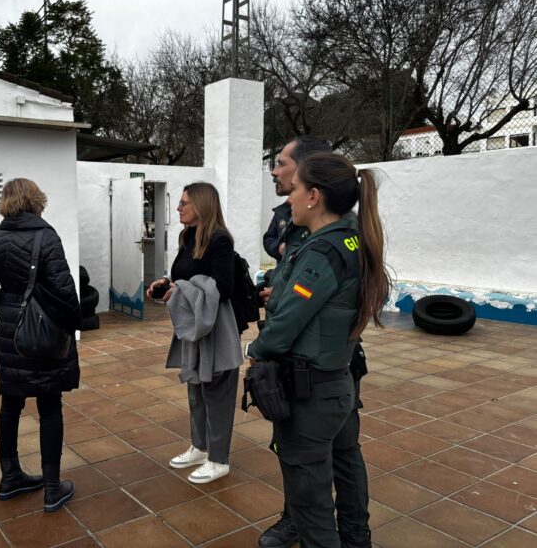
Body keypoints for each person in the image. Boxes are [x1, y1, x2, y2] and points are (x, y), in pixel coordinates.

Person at [248, 153, 390, 548]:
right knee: (346, 465)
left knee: (310, 505)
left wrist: (255, 348)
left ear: (313, 196)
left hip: (313, 394)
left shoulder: (321, 250)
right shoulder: (352, 237)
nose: (287, 198)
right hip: (337, 382)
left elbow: (286, 323)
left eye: (293, 190)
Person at [0, 178, 81, 513]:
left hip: (10, 337)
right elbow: (64, 291)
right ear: (36, 201)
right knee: (49, 407)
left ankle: (10, 478)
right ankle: (51, 488)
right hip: (43, 337)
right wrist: (70, 323)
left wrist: (10, 310)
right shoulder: (46, 237)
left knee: (10, 405)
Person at [147, 182, 242, 484]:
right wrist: (166, 283)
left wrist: (180, 289)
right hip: (194, 328)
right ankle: (200, 447)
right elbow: (184, 276)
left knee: (216, 394)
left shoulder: (219, 240)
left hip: (216, 328)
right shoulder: (188, 237)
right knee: (196, 391)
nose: (178, 208)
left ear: (200, 205)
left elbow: (223, 287)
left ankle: (219, 459)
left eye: (184, 203)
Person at [263, 136, 332, 264]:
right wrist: (279, 249)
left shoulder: (326, 228)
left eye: (281, 164)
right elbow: (269, 238)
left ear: (305, 168)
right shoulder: (287, 209)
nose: (274, 172)